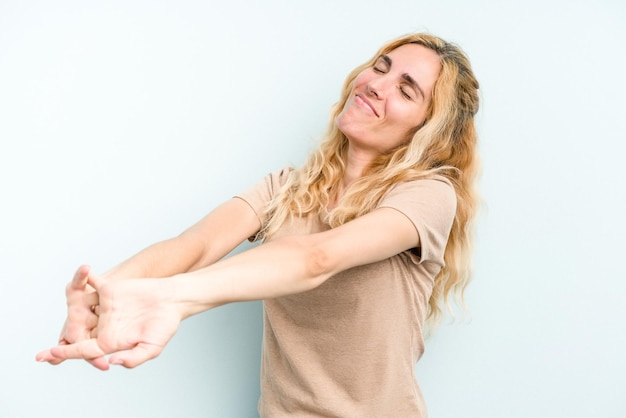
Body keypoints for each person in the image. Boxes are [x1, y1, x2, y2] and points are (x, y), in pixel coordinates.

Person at [37, 32, 480, 417]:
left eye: (406, 90)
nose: (376, 85)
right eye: (380, 67)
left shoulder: (428, 196)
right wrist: (104, 292)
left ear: (430, 131)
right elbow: (192, 247)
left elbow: (317, 258)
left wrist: (173, 299)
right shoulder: (286, 188)